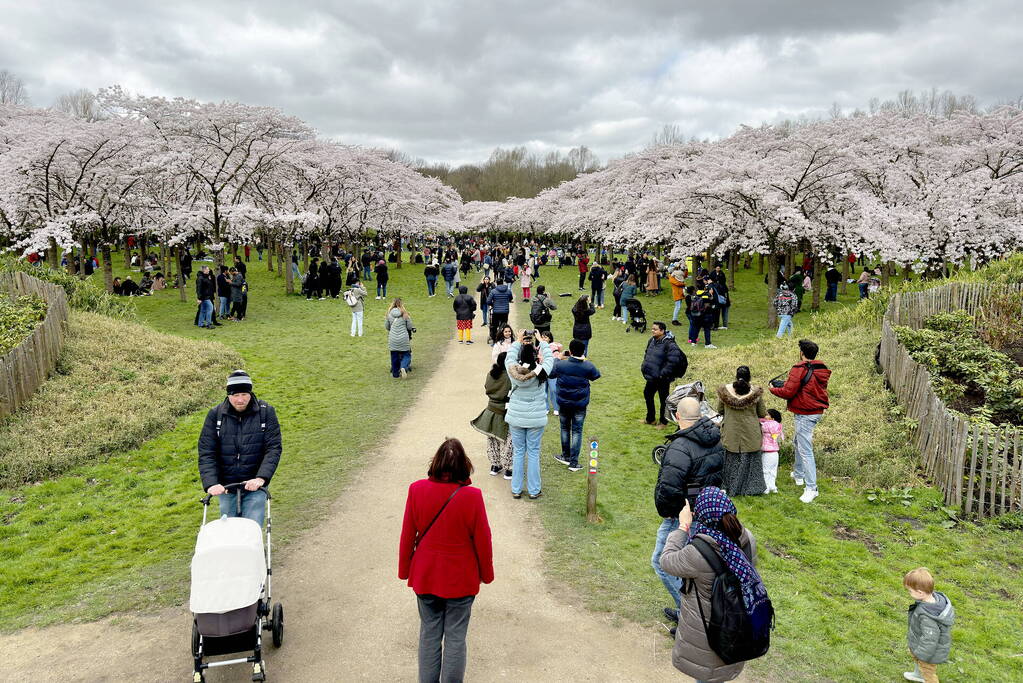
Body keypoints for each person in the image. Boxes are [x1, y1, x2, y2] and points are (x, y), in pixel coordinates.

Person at [398, 438, 494, 683]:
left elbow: (408, 534)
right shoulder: (472, 497)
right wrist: (486, 574)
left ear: (436, 463)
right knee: (455, 637)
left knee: (429, 634)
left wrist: (404, 569)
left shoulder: (417, 489)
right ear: (465, 465)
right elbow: (483, 540)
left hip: (427, 576)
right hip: (461, 580)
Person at [660, 487, 764, 682]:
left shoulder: (698, 552)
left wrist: (682, 527)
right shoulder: (747, 538)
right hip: (738, 625)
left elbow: (666, 560)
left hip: (709, 634)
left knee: (708, 677)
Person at [652, 398, 725, 628]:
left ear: (677, 416)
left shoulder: (680, 447)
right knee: (691, 567)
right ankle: (690, 613)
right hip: (704, 511)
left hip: (681, 515)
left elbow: (669, 486)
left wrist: (667, 512)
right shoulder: (715, 439)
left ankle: (690, 618)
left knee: (663, 562)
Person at [197, 370, 283, 527]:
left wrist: (261, 478)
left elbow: (273, 448)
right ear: (228, 395)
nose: (240, 399)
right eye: (235, 395)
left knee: (252, 526)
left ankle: (255, 551)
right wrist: (211, 483)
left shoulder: (266, 412)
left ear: (250, 393)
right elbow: (206, 452)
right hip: (226, 486)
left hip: (254, 483)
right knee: (228, 526)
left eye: (244, 394)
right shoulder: (215, 415)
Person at [769, 339, 831, 503]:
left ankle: (811, 488)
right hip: (816, 411)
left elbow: (789, 392)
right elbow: (805, 387)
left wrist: (772, 389)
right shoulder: (821, 368)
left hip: (805, 413)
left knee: (805, 450)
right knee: (798, 441)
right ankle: (798, 474)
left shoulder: (799, 369)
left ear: (802, 353)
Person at [504, 331, 555, 499]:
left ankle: (516, 489)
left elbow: (509, 356)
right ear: (535, 356)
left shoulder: (512, 370)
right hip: (535, 419)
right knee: (533, 452)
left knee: (519, 452)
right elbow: (549, 358)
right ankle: (534, 490)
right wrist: (542, 342)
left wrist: (518, 341)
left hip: (516, 418)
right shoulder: (541, 372)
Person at [715, 366, 767, 496]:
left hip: (731, 432)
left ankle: (729, 487)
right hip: (751, 433)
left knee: (731, 460)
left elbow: (720, 410)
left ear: (736, 376)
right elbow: (762, 413)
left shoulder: (725, 392)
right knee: (750, 459)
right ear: (750, 377)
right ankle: (751, 488)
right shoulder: (756, 393)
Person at [550, 340, 600, 471]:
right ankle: (573, 462)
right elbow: (596, 375)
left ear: (570, 351)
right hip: (580, 404)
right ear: (583, 351)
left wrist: (558, 358)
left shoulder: (561, 364)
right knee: (577, 431)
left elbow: (550, 374)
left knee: (564, 428)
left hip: (563, 403)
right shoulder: (588, 366)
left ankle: (565, 456)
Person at [903, 567, 955, 683]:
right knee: (917, 660)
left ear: (920, 593)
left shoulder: (927, 615)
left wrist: (922, 654)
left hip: (928, 653)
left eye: (910, 591)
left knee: (928, 673)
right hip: (921, 645)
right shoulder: (934, 600)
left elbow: (930, 639)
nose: (909, 593)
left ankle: (924, 677)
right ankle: (918, 675)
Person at [470, 352, 514, 479]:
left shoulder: (491, 374)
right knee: (507, 440)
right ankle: (508, 469)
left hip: (490, 410)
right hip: (504, 411)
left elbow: (486, 388)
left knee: (492, 438)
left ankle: (495, 465)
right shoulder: (509, 377)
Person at [640, 322, 687, 427]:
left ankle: (663, 422)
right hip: (652, 377)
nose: (652, 331)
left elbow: (673, 362)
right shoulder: (651, 341)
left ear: (662, 331)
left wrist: (662, 374)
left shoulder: (670, 344)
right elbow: (647, 353)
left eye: (655, 329)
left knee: (663, 401)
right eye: (652, 329)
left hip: (662, 379)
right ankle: (650, 419)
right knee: (647, 394)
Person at [386, 298, 414, 379]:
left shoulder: (389, 314)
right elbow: (409, 327)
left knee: (394, 356)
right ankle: (404, 367)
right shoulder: (405, 314)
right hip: (403, 338)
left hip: (393, 339)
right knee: (407, 354)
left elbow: (387, 327)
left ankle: (395, 374)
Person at [759, 408, 784, 494]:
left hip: (767, 452)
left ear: (772, 418)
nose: (765, 416)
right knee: (773, 471)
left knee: (765, 471)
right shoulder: (778, 425)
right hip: (775, 452)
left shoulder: (766, 425)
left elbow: (759, 424)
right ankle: (773, 487)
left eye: (767, 415)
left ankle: (765, 488)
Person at [689, 277, 718, 348]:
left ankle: (693, 342)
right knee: (707, 329)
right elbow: (712, 301)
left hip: (697, 314)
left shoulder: (697, 294)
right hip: (706, 314)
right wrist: (711, 294)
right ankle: (707, 344)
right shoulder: (707, 294)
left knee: (696, 328)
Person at [538, 330, 562, 415]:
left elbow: (555, 360)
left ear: (550, 338)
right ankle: (546, 408)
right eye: (542, 337)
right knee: (543, 391)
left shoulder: (553, 347)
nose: (544, 339)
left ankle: (556, 408)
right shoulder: (540, 347)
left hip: (552, 373)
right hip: (543, 372)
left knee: (553, 390)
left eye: (546, 337)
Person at [487, 280, 514, 345]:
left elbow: (488, 301)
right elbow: (511, 298)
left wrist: (493, 304)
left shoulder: (493, 291)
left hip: (496, 311)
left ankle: (494, 341)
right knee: (504, 326)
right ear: (503, 283)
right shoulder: (508, 291)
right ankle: (503, 339)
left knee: (494, 326)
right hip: (505, 311)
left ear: (497, 283)